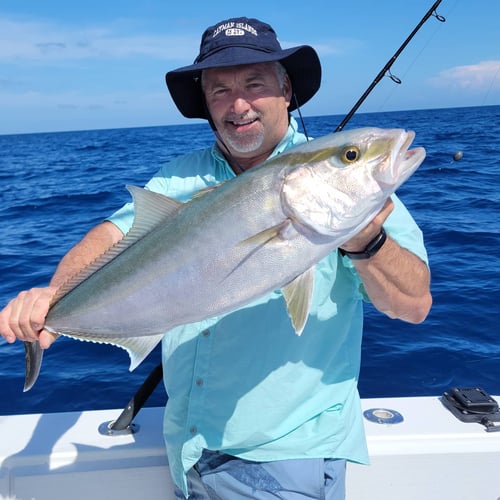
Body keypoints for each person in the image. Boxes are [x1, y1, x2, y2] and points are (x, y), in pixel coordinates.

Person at [0, 17, 432, 499]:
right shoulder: (179, 178)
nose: (239, 103)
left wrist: (365, 240)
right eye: (220, 89)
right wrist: (54, 301)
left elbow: (413, 307)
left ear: (286, 90)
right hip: (187, 450)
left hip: (284, 456)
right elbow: (110, 235)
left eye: (255, 83)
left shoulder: (363, 204)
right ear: (205, 103)